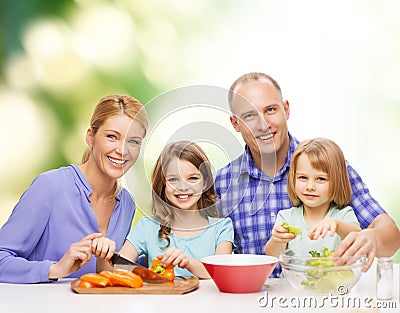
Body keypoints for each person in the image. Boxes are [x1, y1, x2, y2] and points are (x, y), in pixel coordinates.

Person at [215, 72, 400, 276]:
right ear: (235, 124)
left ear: (286, 109)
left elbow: (391, 236)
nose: (263, 124)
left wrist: (373, 237)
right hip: (248, 300)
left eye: (270, 110)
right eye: (249, 116)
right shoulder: (223, 183)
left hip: (320, 296)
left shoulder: (328, 167)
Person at [0, 94, 148, 283]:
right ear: (90, 137)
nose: (122, 150)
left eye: (133, 141)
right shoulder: (50, 187)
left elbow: (115, 272)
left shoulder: (126, 203)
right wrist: (55, 269)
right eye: (112, 137)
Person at [117, 141, 234, 279]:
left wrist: (188, 262)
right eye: (173, 179)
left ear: (205, 183)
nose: (183, 187)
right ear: (163, 184)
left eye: (193, 178)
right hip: (161, 300)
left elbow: (222, 273)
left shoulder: (221, 227)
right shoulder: (147, 226)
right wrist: (103, 256)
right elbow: (119, 270)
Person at [264, 138, 361, 257]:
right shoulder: (287, 217)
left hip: (332, 276)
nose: (310, 187)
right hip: (292, 276)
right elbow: (271, 255)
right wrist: (276, 240)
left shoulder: (343, 215)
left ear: (337, 181)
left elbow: (358, 238)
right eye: (303, 178)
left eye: (321, 179)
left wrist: (337, 225)